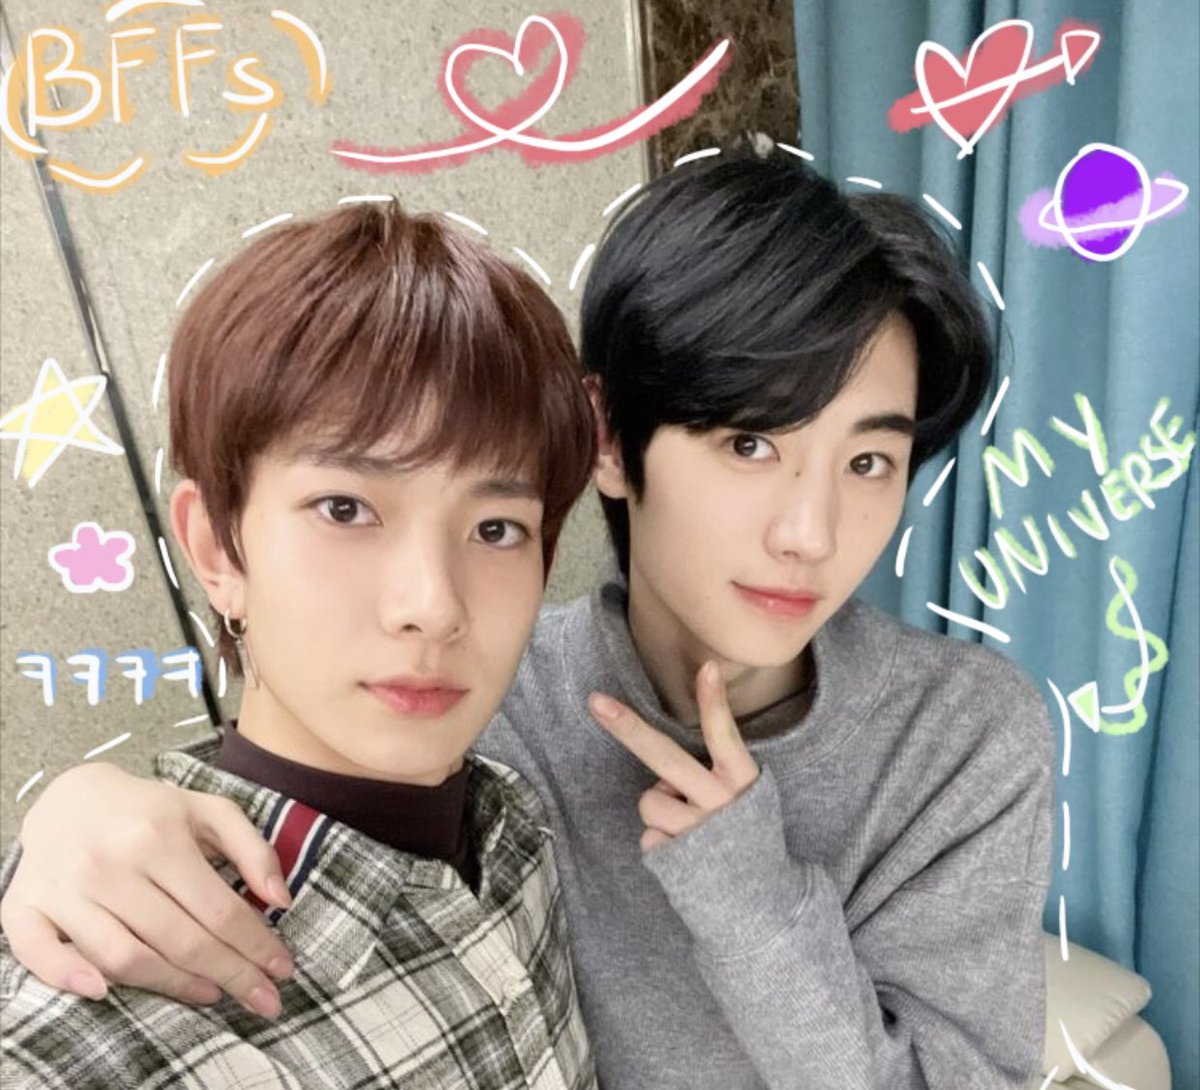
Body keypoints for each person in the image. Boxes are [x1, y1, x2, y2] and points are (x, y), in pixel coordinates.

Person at [1, 152, 1053, 1089]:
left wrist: (753, 896)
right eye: (749, 443)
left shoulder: (963, 738)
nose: (811, 534)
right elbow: (290, 777)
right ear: (609, 440)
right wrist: (62, 819)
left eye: (869, 461)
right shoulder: (492, 696)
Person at [0, 201, 597, 1089]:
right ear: (217, 550)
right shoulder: (93, 1026)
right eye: (345, 509)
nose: (433, 607)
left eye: (496, 528)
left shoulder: (517, 828)